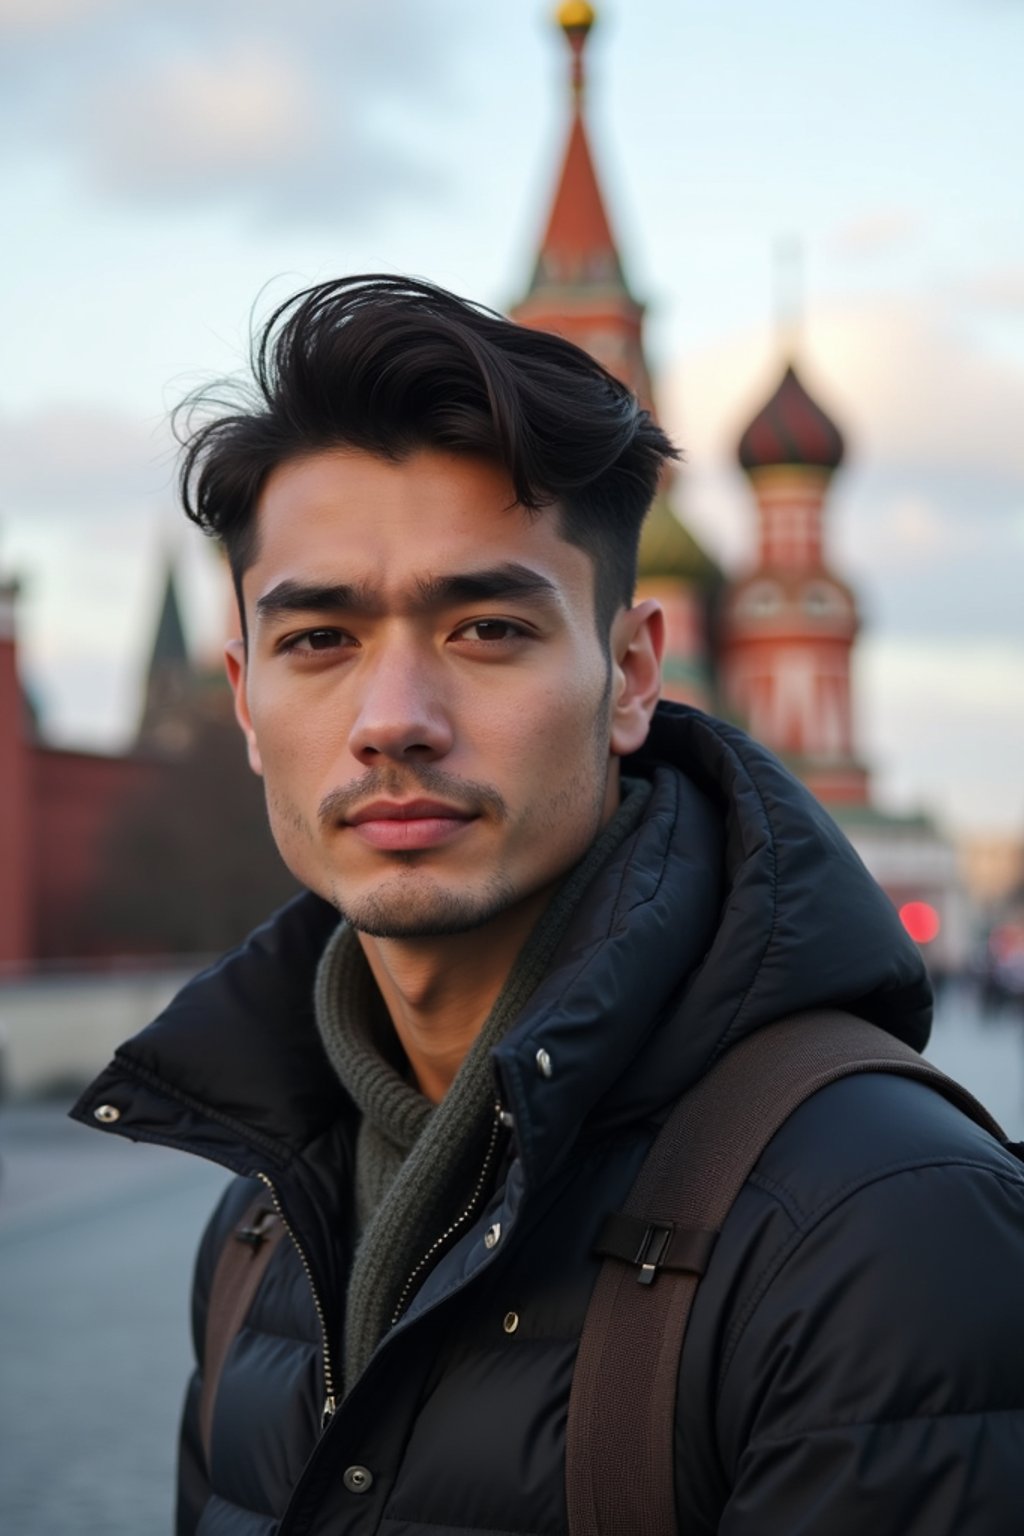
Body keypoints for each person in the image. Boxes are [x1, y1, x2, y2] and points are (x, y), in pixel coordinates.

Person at [75, 276, 1024, 1535]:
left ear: (632, 676)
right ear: (244, 702)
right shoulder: (264, 1223)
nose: (393, 721)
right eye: (320, 642)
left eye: (484, 629)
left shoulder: (879, 1225)